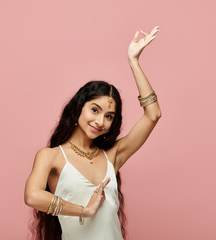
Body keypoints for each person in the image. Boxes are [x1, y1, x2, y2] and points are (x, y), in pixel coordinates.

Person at [24, 26, 161, 240]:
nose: (100, 121)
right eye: (95, 110)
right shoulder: (51, 156)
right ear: (79, 107)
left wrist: (133, 62)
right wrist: (84, 210)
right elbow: (32, 196)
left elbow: (153, 115)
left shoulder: (112, 156)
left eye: (109, 116)